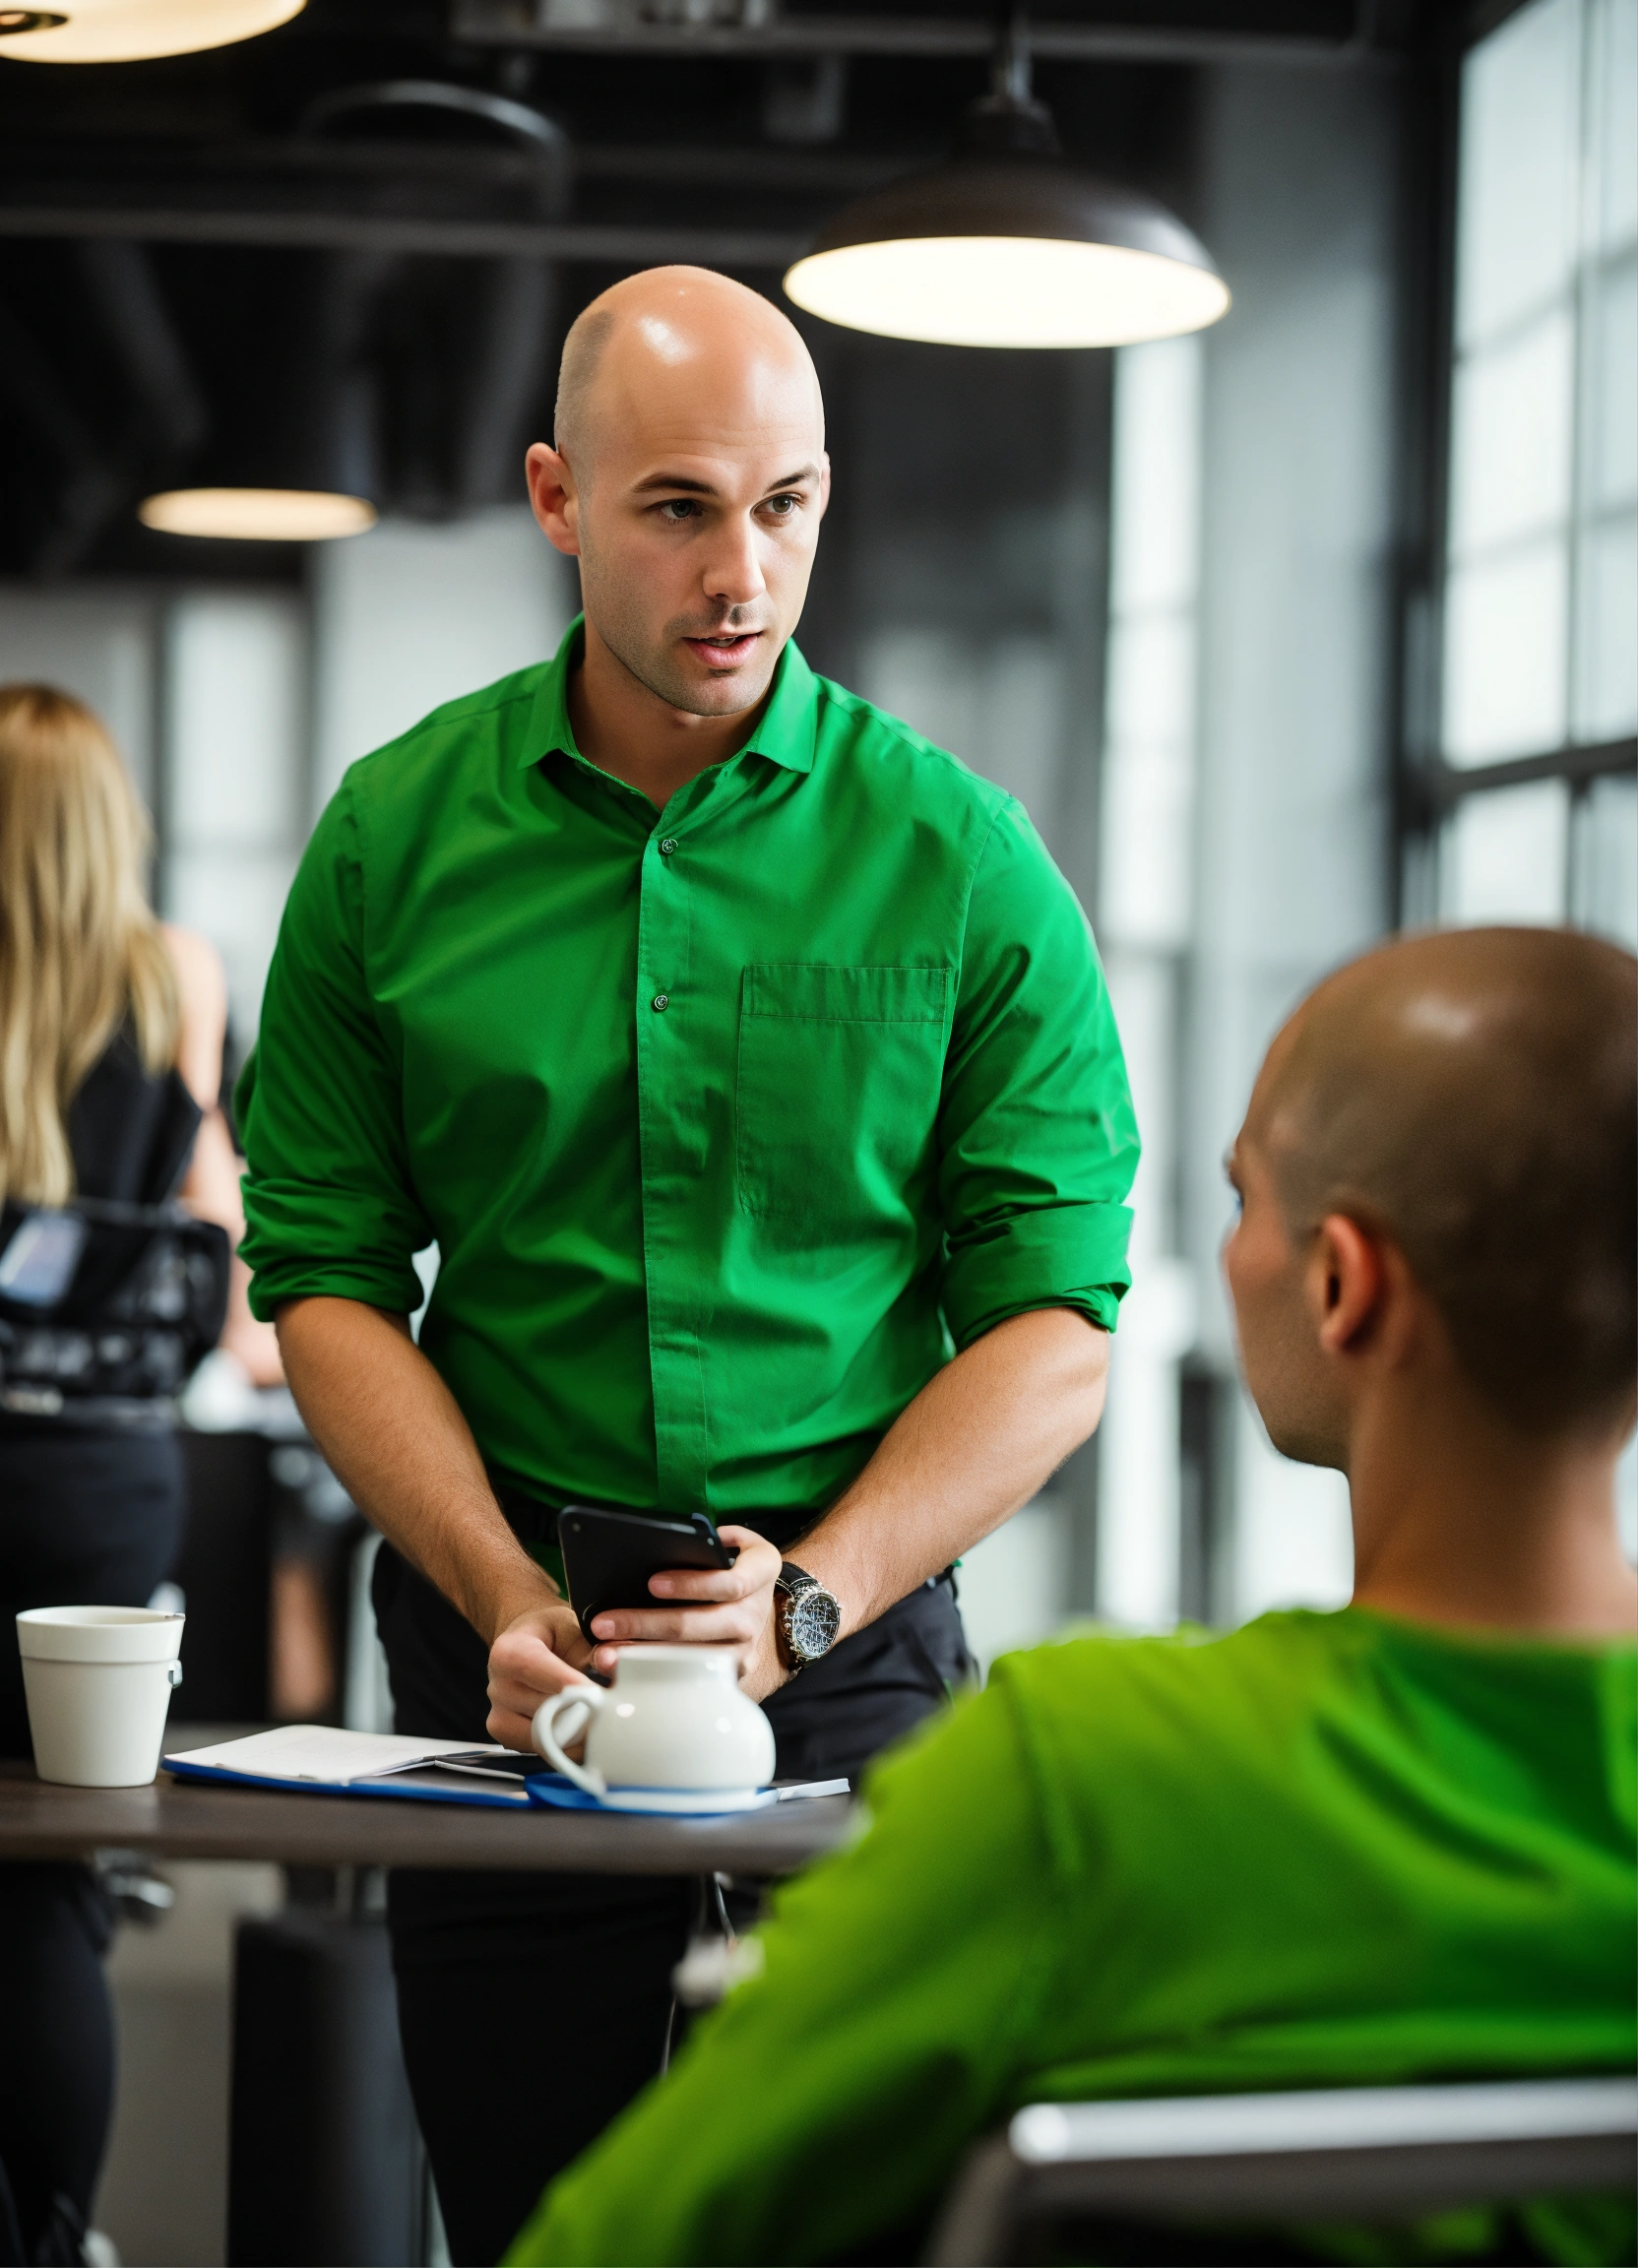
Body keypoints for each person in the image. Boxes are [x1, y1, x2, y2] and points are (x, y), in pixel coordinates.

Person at [235, 263, 1138, 2263]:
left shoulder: (963, 856)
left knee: (860, 2221)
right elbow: (319, 1276)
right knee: (533, 2215)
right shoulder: (392, 842)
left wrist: (809, 1599)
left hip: (848, 1643)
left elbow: (1055, 1320)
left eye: (790, 503)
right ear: (558, 498)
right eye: (680, 508)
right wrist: (491, 1586)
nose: (746, 571)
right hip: (501, 1665)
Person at [507, 924, 1637, 2268]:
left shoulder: (1082, 1778)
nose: (1231, 1256)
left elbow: (624, 2241)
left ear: (1346, 1282)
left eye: (1242, 1201)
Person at [0, 683, 276, 2265]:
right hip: (101, 1504)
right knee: (52, 1891)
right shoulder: (176, 978)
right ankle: (57, 2237)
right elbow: (240, 1312)